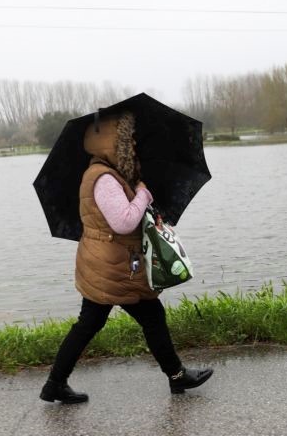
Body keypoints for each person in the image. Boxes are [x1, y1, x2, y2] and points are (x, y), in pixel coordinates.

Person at [40, 111, 213, 404]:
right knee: (140, 317)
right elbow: (123, 222)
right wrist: (143, 195)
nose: (133, 144)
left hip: (109, 262)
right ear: (112, 143)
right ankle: (176, 376)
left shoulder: (109, 173)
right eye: (127, 139)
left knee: (94, 323)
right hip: (112, 266)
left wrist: (137, 188)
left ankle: (55, 384)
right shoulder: (103, 178)